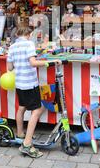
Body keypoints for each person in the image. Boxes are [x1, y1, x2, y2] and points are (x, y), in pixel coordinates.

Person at [6, 24, 60, 158]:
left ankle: (20, 134)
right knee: (37, 110)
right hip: (30, 83)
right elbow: (33, 63)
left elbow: (10, 67)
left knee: (21, 108)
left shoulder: (12, 47)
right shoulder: (29, 44)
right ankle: (27, 143)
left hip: (19, 84)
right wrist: (50, 62)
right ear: (29, 34)